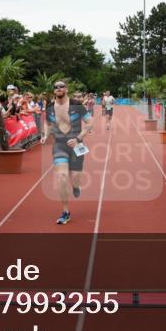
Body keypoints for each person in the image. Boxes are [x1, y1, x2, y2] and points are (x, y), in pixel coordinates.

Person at [42, 80, 92, 225]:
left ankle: (76, 186)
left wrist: (78, 138)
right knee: (62, 176)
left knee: (75, 178)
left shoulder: (77, 105)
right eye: (56, 87)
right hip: (59, 145)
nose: (58, 88)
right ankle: (65, 212)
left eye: (61, 86)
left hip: (76, 145)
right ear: (54, 91)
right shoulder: (50, 107)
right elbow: (47, 123)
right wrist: (45, 135)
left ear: (66, 89)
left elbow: (89, 123)